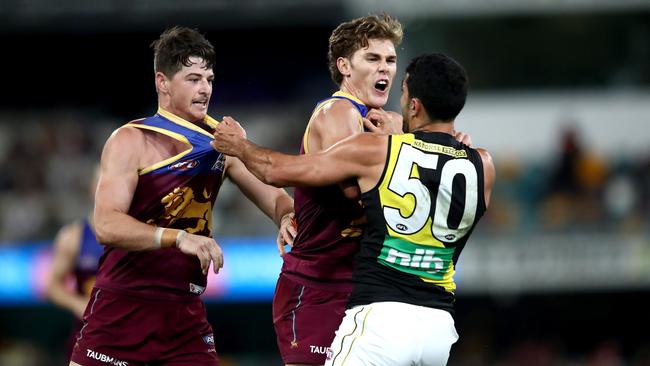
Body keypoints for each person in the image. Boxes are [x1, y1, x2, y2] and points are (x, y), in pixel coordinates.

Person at [212, 52, 496, 366]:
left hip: (382, 318)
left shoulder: (378, 151)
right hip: (438, 327)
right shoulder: (483, 164)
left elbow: (275, 170)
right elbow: (432, 173)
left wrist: (239, 145)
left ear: (414, 105)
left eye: (402, 93)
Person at [69, 26, 295, 366]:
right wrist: (177, 238)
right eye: (193, 79)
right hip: (123, 309)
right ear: (162, 82)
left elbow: (276, 198)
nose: (204, 89)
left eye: (209, 78)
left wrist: (286, 217)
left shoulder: (224, 142)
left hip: (185, 317)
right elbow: (105, 224)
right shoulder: (131, 139)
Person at [266, 13, 403, 366]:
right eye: (372, 59)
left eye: (389, 60)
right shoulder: (338, 112)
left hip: (365, 288)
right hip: (318, 290)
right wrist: (404, 143)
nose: (384, 69)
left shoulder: (381, 121)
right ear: (344, 66)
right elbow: (356, 190)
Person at [45, 167, 103, 361]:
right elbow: (53, 285)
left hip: (132, 332)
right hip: (90, 334)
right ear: (92, 188)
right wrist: (79, 304)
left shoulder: (139, 235)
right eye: (102, 182)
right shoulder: (74, 236)